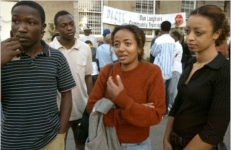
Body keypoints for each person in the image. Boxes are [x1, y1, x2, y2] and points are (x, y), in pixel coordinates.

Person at [1, 1, 76, 150]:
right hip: (12, 142)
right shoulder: (3, 56)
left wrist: (61, 133)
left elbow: (67, 94)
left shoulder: (56, 57)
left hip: (50, 140)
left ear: (43, 27)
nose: (21, 29)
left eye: (30, 22)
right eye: (15, 21)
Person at [86, 24, 166, 150]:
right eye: (116, 44)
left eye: (127, 44)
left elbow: (156, 115)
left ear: (139, 47)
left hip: (139, 145)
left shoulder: (152, 72)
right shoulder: (108, 71)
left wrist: (122, 101)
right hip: (107, 142)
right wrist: (135, 111)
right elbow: (92, 108)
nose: (120, 49)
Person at [163, 5, 230, 150]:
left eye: (198, 32)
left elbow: (214, 131)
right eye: (187, 31)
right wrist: (166, 139)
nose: (190, 37)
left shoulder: (224, 71)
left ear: (216, 34)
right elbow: (177, 105)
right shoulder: (191, 63)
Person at [49, 10, 93, 150]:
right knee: (58, 143)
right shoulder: (48, 50)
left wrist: (91, 104)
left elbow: (88, 78)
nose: (69, 28)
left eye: (71, 24)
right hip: (57, 110)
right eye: (64, 25)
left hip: (81, 108)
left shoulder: (85, 49)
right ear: (56, 28)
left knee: (80, 143)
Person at [150, 21, 175, 115]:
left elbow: (153, 53)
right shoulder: (172, 40)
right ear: (170, 29)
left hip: (160, 69)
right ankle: (165, 110)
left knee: (160, 91)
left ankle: (160, 109)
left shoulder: (159, 40)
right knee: (167, 91)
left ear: (161, 28)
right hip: (169, 69)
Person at [168, 31, 183, 110]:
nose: (171, 38)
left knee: (173, 90)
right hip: (172, 69)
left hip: (175, 70)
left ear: (176, 37)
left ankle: (172, 107)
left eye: (172, 36)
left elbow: (171, 56)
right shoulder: (173, 45)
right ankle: (170, 106)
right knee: (170, 89)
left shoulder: (177, 46)